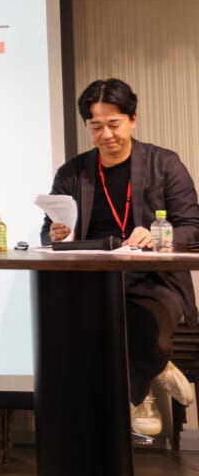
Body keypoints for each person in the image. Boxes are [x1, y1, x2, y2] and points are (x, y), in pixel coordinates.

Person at [41, 78, 199, 434]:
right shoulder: (72, 172)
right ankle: (155, 374)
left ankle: (140, 391)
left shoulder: (164, 164)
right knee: (73, 335)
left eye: (114, 124)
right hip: (91, 280)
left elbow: (192, 226)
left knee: (149, 334)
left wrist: (159, 235)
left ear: (133, 119)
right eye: (96, 126)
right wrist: (55, 234)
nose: (106, 134)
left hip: (154, 280)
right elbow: (47, 232)